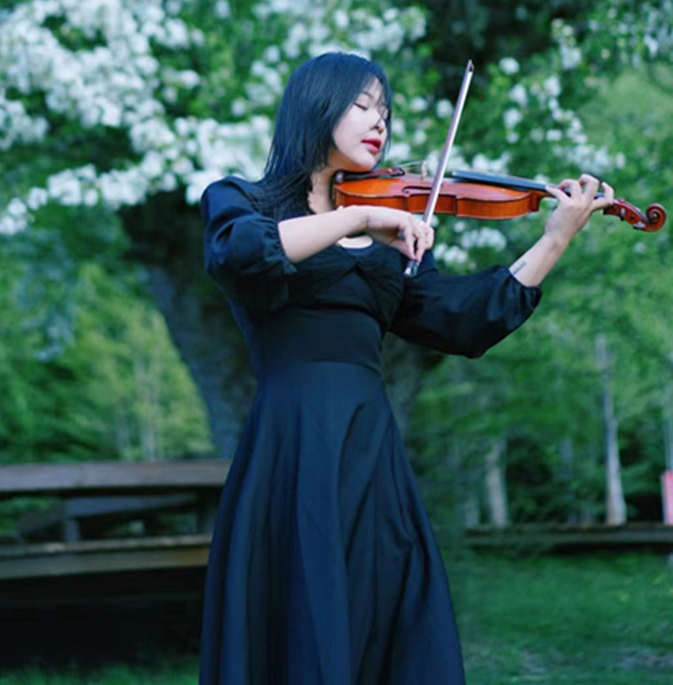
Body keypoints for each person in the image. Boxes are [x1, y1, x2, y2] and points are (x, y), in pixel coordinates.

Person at [198, 51, 614, 685]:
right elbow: (240, 254)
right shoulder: (244, 202)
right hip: (293, 441)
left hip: (370, 448)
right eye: (363, 106)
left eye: (385, 113)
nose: (380, 123)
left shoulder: (391, 243)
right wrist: (360, 217)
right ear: (316, 106)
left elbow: (463, 319)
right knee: (303, 614)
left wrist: (555, 237)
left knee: (389, 612)